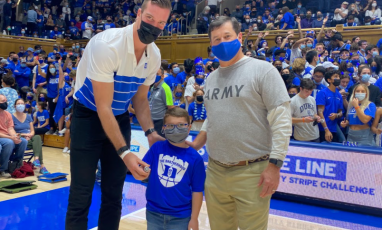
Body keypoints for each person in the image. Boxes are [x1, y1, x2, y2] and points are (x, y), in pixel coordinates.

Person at [65, 0, 171, 229]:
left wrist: (151, 132)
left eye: (161, 22)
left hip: (120, 116)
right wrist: (125, 153)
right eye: (150, 18)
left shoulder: (154, 55)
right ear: (139, 14)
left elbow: (140, 100)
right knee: (81, 193)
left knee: (114, 194)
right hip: (88, 116)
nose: (154, 26)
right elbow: (103, 107)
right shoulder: (107, 45)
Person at [188, 16, 292, 230]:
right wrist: (197, 143)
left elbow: (281, 119)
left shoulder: (263, 70)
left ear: (240, 37)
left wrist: (275, 165)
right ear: (211, 45)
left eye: (227, 36)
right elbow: (213, 116)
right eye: (216, 40)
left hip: (253, 171)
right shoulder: (212, 79)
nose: (222, 43)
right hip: (216, 170)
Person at [142, 107, 205, 230]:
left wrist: (194, 218)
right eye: (170, 126)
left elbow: (197, 191)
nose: (176, 129)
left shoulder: (196, 158)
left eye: (181, 125)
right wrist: (142, 171)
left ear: (189, 127)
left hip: (181, 217)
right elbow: (143, 169)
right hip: (153, 212)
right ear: (164, 128)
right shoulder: (156, 148)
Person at [12, 98, 49, 174]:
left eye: (22, 104)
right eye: (18, 104)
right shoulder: (11, 117)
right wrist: (25, 135)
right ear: (15, 106)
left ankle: (36, 159)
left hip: (30, 137)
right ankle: (42, 166)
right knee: (37, 144)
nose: (20, 105)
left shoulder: (28, 116)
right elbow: (12, 132)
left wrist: (30, 135)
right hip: (19, 138)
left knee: (37, 137)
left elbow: (32, 130)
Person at [0, 94, 27, 178]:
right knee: (9, 142)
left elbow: (10, 128)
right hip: (2, 137)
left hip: (7, 136)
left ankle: (15, 165)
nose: (5, 103)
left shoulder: (8, 114)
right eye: (3, 101)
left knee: (23, 141)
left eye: (6, 101)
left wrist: (15, 136)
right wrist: (11, 138)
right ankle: (3, 169)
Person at [316, 70, 344, 143]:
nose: (338, 78)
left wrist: (337, 115)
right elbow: (320, 112)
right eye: (335, 77)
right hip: (323, 129)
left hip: (334, 128)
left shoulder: (339, 95)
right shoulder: (322, 93)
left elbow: (340, 112)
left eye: (338, 76)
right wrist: (326, 129)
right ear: (329, 80)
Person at [149, 67, 174, 137]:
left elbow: (170, 107)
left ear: (162, 76)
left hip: (160, 122)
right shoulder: (152, 88)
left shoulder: (165, 88)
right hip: (151, 121)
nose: (154, 76)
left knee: (160, 145)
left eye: (157, 74)